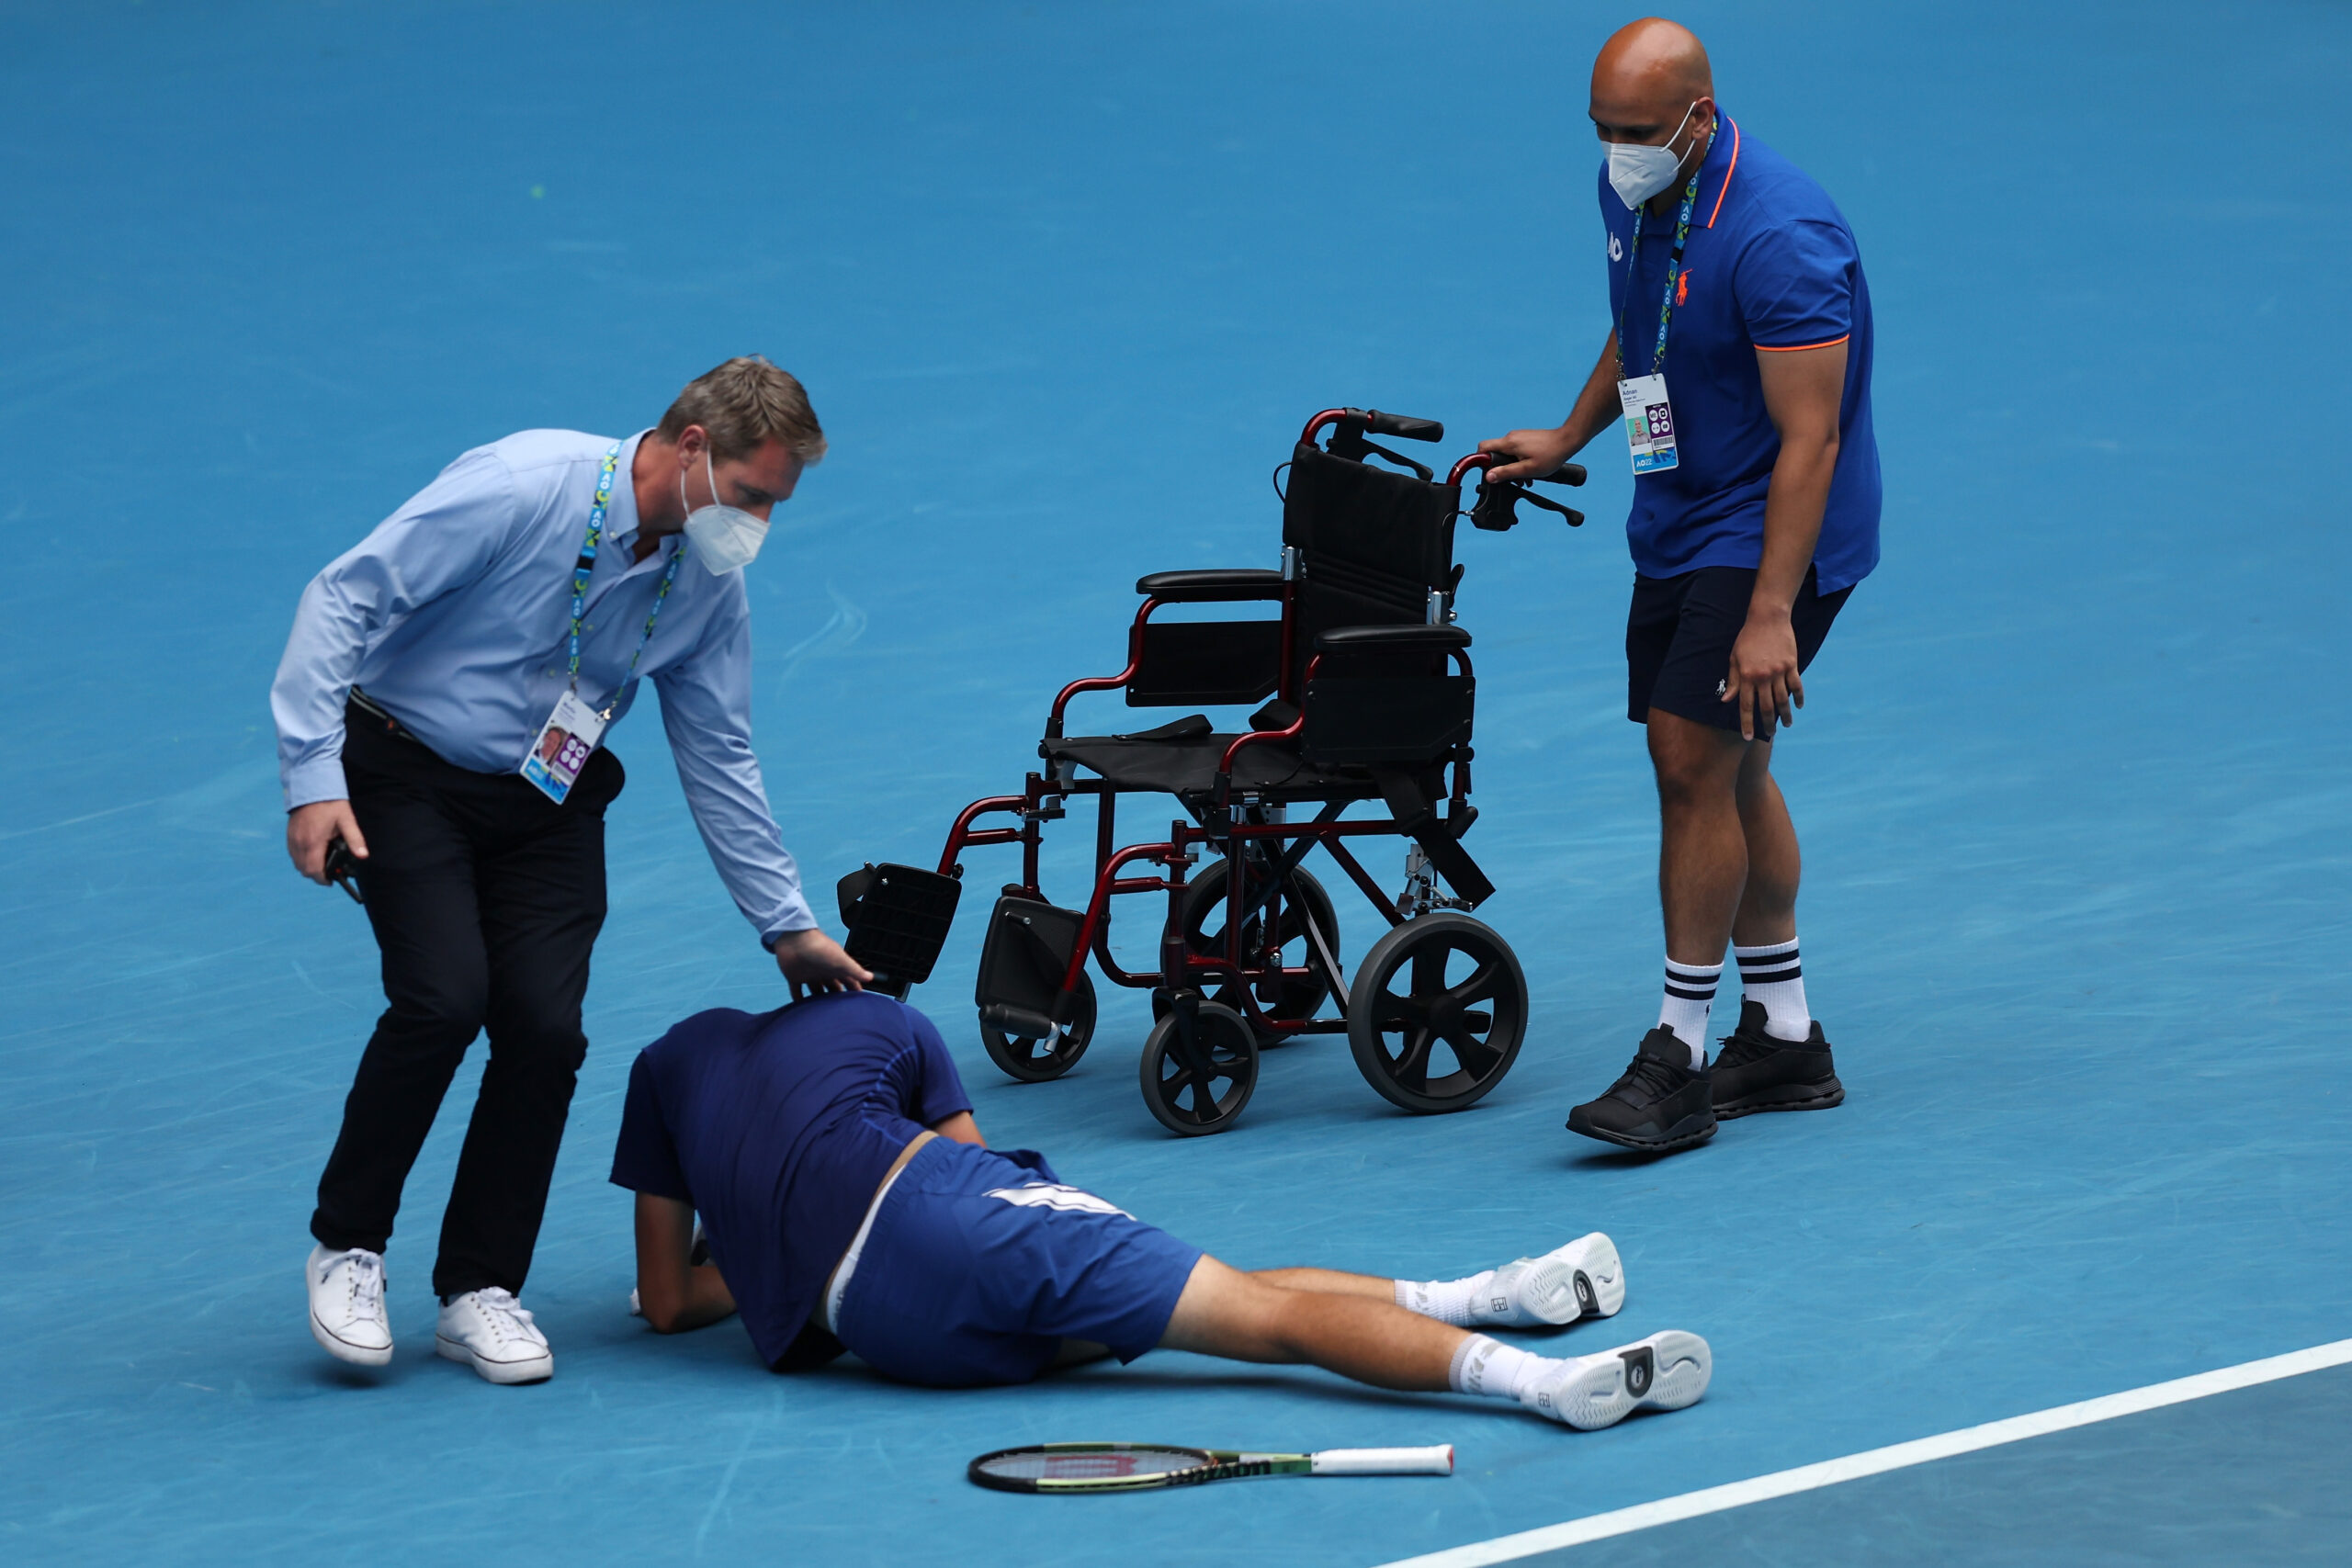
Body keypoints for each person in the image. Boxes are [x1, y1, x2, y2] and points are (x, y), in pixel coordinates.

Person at [275, 356, 874, 1384]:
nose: (760, 525)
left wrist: (785, 923)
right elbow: (344, 597)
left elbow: (719, 753)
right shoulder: (520, 488)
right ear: (692, 448)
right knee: (442, 998)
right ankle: (349, 1245)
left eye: (778, 504)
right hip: (406, 771)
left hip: (547, 805)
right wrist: (311, 777)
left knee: (545, 1033)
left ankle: (479, 1288)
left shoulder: (705, 581)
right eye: (752, 495)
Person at [611, 993, 1713, 1431]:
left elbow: (665, 1303)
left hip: (892, 1337)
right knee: (1250, 1314)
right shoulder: (887, 1024)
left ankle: (1489, 1294)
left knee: (1208, 1302)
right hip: (944, 1219)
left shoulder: (663, 1071)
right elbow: (975, 1178)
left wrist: (754, 1260)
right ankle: (1540, 1381)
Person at [1479, 18, 1878, 1155]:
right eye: (1602, 131)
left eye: (1640, 133)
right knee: (1734, 764)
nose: (1618, 153)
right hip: (1681, 509)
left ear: (1699, 119)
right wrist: (1568, 436)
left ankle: (1679, 1054)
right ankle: (1788, 1038)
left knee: (1687, 757)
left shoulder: (1781, 235)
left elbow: (1813, 443)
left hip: (1771, 530)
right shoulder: (1635, 186)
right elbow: (1640, 327)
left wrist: (1768, 613)